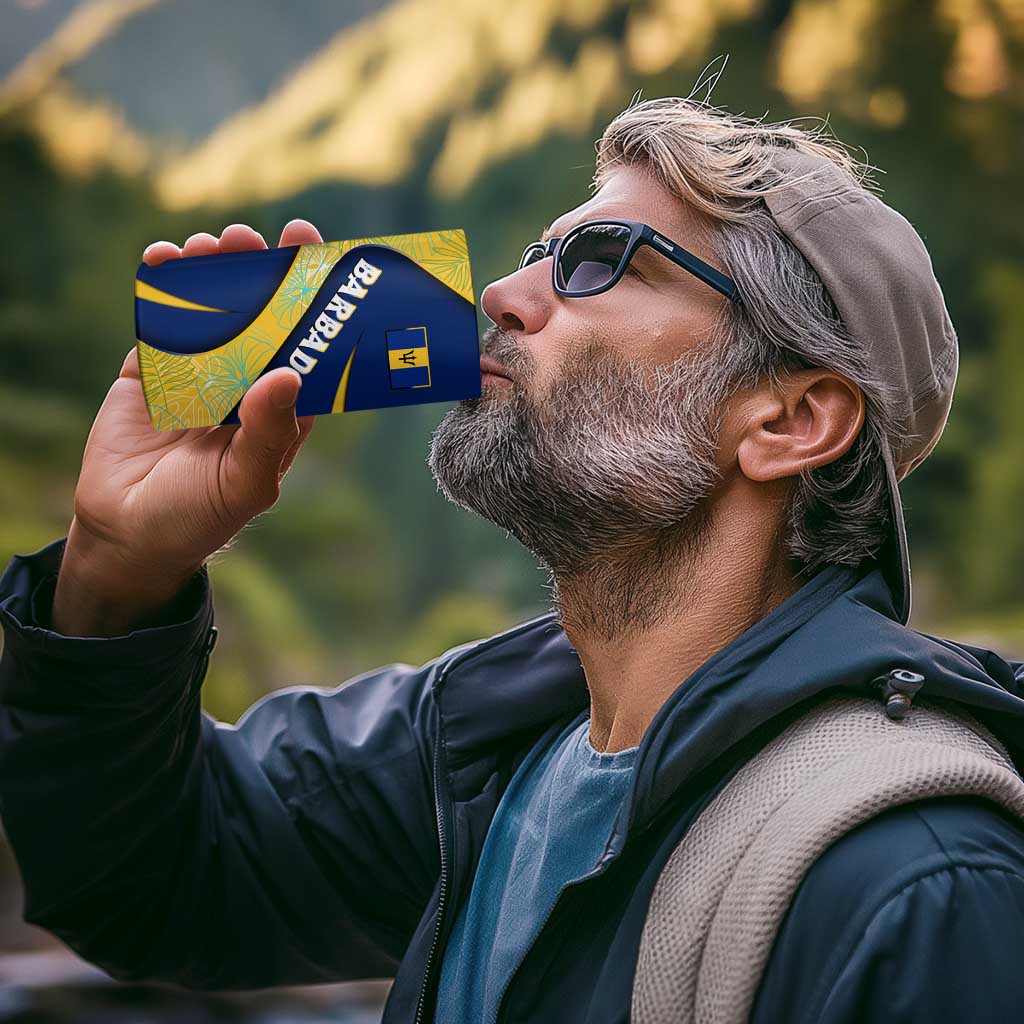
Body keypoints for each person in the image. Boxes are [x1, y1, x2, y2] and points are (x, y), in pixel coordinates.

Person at [2, 94, 1024, 1024]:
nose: (502, 291)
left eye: (600, 261)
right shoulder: (479, 749)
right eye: (540, 252)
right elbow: (148, 880)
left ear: (790, 419)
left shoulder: (918, 884)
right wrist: (116, 571)